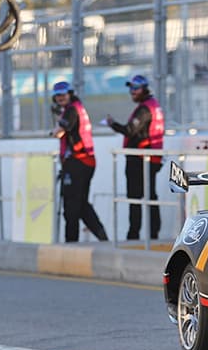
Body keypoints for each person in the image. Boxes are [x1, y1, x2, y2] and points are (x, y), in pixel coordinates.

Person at [105, 74, 164, 241]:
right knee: (149, 197)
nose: (132, 92)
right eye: (130, 88)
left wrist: (112, 124)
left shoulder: (145, 108)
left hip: (140, 159)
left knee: (137, 199)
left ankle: (135, 235)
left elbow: (130, 130)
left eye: (136, 88)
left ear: (145, 89)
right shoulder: (152, 105)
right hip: (149, 158)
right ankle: (151, 234)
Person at [51, 81, 107, 242]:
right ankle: (103, 238)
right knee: (81, 205)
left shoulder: (71, 110)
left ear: (70, 94)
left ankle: (71, 243)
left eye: (63, 94)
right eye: (58, 95)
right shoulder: (74, 108)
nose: (60, 97)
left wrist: (54, 130)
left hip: (78, 162)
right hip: (84, 161)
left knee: (71, 206)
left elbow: (59, 131)